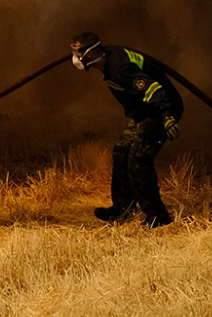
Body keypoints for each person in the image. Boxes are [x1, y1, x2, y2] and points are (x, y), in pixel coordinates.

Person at [70, 32, 182, 228]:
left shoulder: (120, 68)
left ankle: (157, 215)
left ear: (91, 53)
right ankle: (123, 209)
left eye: (78, 53)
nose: (76, 57)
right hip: (143, 112)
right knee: (121, 152)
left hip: (158, 111)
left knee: (138, 159)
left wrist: (167, 116)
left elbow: (154, 90)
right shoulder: (109, 59)